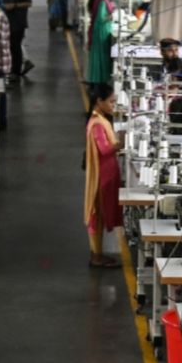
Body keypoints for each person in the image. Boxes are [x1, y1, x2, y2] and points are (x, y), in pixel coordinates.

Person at [84, 82, 123, 269]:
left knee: (99, 214)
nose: (113, 106)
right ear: (99, 101)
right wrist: (121, 143)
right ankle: (96, 255)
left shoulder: (100, 118)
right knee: (96, 213)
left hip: (106, 172)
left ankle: (97, 253)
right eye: (111, 102)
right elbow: (105, 149)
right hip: (102, 174)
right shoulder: (98, 123)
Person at [0, 0, 33, 79]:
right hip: (6, 23)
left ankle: (16, 71)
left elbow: (29, 3)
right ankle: (11, 69)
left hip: (18, 23)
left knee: (16, 46)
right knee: (9, 47)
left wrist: (14, 5)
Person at [85, 0, 116, 86]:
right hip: (101, 32)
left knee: (100, 56)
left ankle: (98, 79)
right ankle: (99, 80)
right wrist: (111, 17)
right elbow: (101, 19)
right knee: (101, 56)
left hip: (101, 31)